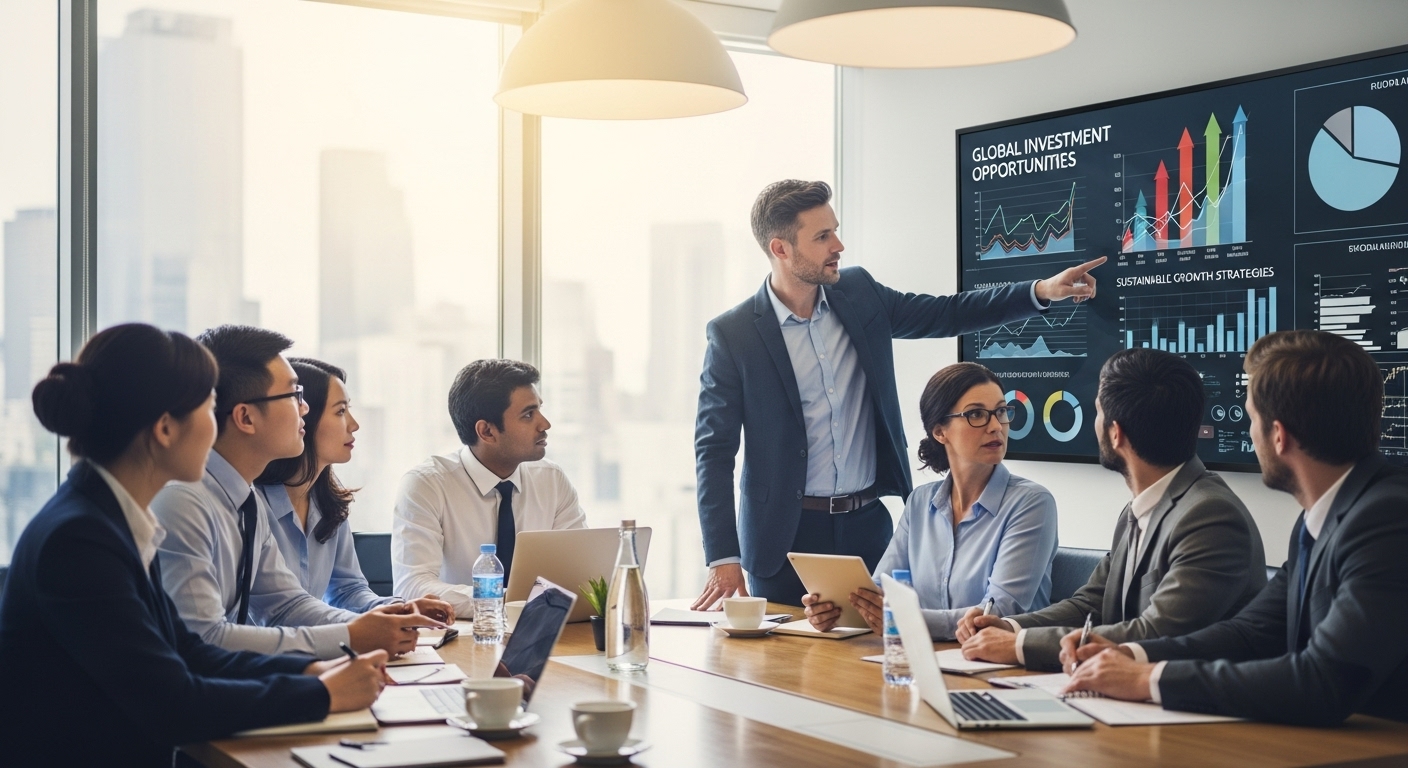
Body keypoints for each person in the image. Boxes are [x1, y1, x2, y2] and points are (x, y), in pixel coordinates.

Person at [692, 179, 1106, 607]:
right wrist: (723, 556)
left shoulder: (859, 293)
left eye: (835, 230)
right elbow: (713, 450)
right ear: (780, 249)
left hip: (867, 528)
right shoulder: (734, 335)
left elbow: (947, 313)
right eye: (822, 236)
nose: (838, 245)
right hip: (783, 538)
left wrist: (1039, 291)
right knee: (785, 650)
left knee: (879, 643)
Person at [0, 324, 387, 767]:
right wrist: (319, 693)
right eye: (208, 406)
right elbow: (173, 704)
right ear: (166, 428)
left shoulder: (113, 519)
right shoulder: (79, 541)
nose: (216, 424)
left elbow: (189, 652)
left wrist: (310, 670)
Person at [1063, 331, 1408, 725]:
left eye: (1252, 419)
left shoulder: (1387, 519)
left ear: (1278, 435)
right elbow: (1250, 633)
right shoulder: (1323, 517)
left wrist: (1148, 679)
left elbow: (1324, 680)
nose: (1250, 434)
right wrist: (1132, 654)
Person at [958, 348, 1266, 671]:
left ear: (1116, 433)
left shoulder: (1211, 517)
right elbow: (1091, 604)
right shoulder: (1141, 508)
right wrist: (1009, 627)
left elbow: (1154, 633)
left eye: (1097, 412)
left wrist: (1020, 646)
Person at [153, 325, 438, 659]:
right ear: (245, 417)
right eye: (293, 395)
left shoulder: (245, 500)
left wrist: (375, 624)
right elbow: (203, 639)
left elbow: (285, 606)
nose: (304, 409)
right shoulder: (184, 501)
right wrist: (352, 636)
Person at [801, 363, 1058, 639]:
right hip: (919, 655)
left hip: (999, 660)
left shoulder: (1032, 503)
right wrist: (839, 609)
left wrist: (905, 620)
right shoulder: (920, 502)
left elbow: (997, 613)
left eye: (1001, 412)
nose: (996, 426)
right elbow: (881, 591)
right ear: (940, 432)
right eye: (976, 414)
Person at [255, 358, 453, 621]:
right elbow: (281, 612)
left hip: (321, 640)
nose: (354, 424)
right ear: (304, 418)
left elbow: (348, 591)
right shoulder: (254, 504)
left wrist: (399, 609)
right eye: (340, 411)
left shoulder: (327, 503)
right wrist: (361, 625)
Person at [393, 359, 586, 616]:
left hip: (541, 629)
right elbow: (412, 587)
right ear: (486, 432)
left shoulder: (552, 479)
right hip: (463, 633)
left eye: (540, 409)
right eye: (528, 415)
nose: (545, 424)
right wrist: (505, 602)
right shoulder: (426, 485)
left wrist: (523, 604)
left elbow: (579, 574)